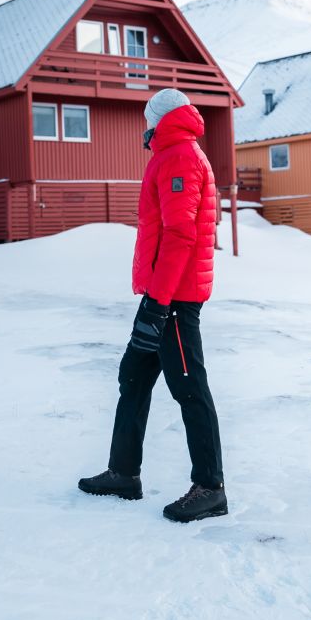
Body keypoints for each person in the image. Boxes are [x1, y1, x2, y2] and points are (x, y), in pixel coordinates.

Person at [78, 88, 226, 523]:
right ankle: (123, 473)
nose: (144, 127)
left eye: (148, 118)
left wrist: (160, 304)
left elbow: (181, 236)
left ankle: (210, 487)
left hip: (174, 299)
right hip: (160, 295)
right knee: (134, 379)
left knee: (189, 389)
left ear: (161, 119)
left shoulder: (180, 156)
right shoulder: (169, 154)